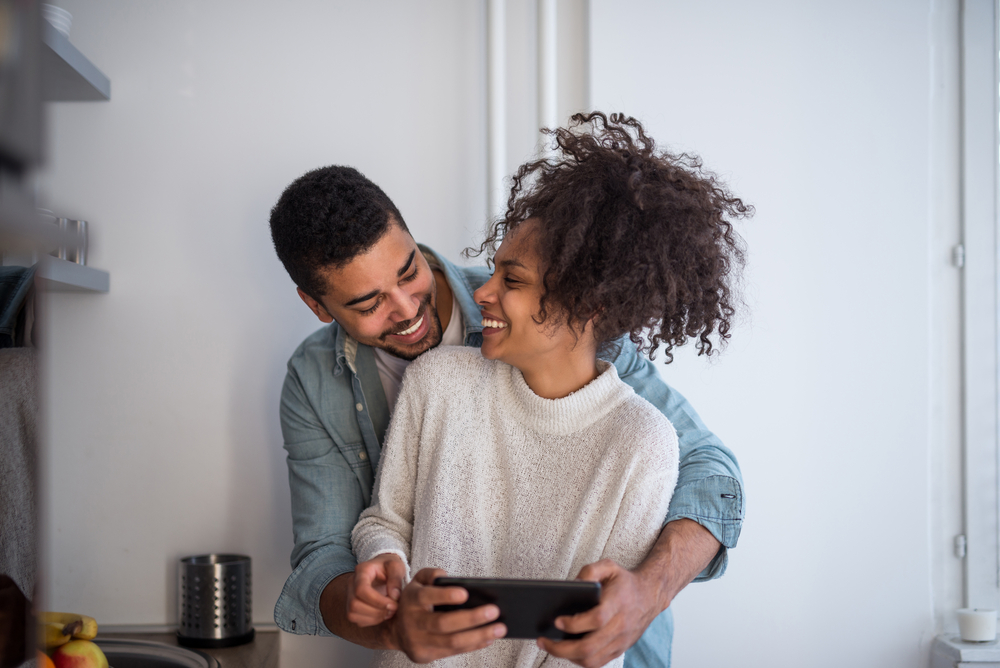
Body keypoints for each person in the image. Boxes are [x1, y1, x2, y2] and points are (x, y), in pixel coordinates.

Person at [269, 112, 749, 667]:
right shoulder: (330, 379)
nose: (405, 311)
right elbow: (329, 554)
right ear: (316, 304)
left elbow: (709, 470)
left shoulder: (555, 310)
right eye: (368, 302)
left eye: (408, 272)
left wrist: (649, 592)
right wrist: (392, 623)